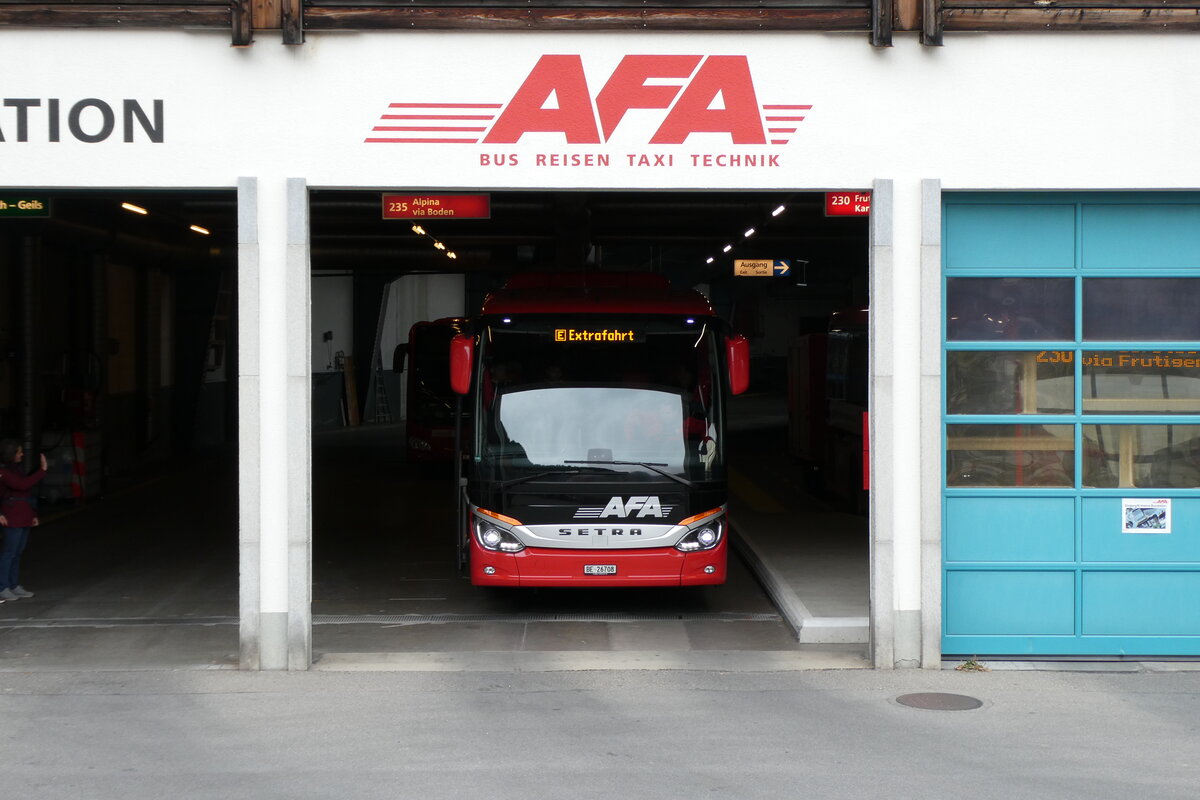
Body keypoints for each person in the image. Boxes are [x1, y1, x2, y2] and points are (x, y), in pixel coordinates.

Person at [0, 440, 47, 603]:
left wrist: (32, 514)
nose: (21, 454)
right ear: (11, 453)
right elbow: (21, 485)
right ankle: (2, 587)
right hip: (11, 516)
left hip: (23, 515)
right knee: (9, 553)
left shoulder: (16, 469)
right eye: (19, 451)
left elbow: (26, 493)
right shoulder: (4, 472)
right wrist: (42, 471)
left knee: (17, 553)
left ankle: (13, 585)